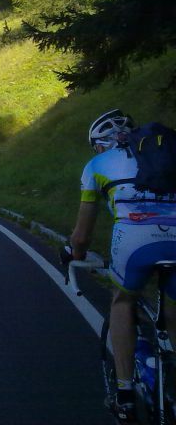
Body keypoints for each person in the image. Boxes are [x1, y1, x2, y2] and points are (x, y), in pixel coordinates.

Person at [70, 109, 176, 423]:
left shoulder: (97, 165)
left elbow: (82, 234)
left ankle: (125, 394)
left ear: (99, 143)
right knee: (172, 312)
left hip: (135, 240)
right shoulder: (163, 153)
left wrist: (74, 254)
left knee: (123, 301)